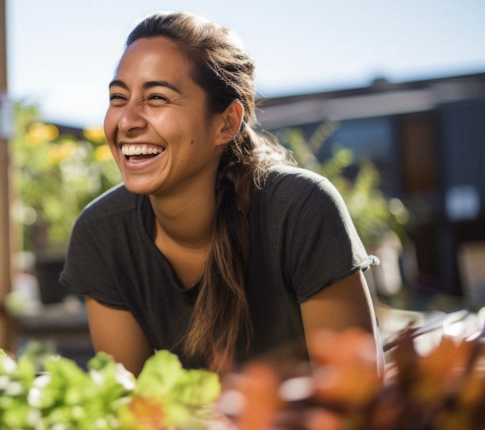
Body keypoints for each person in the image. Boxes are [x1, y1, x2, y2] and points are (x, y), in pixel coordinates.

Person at [59, 11, 383, 375]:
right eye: (118, 98)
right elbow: (126, 404)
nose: (127, 121)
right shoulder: (103, 234)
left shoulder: (300, 211)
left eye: (157, 98)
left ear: (226, 122)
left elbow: (357, 396)